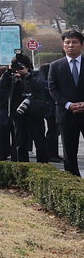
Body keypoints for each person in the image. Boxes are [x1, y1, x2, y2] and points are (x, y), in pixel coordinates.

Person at [47, 30, 84, 176]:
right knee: (69, 151)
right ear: (63, 45)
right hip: (66, 114)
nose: (71, 45)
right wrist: (68, 105)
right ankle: (73, 180)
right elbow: (53, 89)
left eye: (74, 42)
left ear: (81, 45)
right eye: (67, 42)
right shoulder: (55, 66)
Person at [8, 55, 50, 163]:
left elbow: (40, 86)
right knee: (20, 141)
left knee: (39, 140)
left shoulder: (35, 74)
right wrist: (8, 72)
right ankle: (22, 165)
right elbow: (0, 87)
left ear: (27, 66)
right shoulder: (12, 76)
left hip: (35, 112)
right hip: (18, 113)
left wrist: (27, 75)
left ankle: (42, 164)